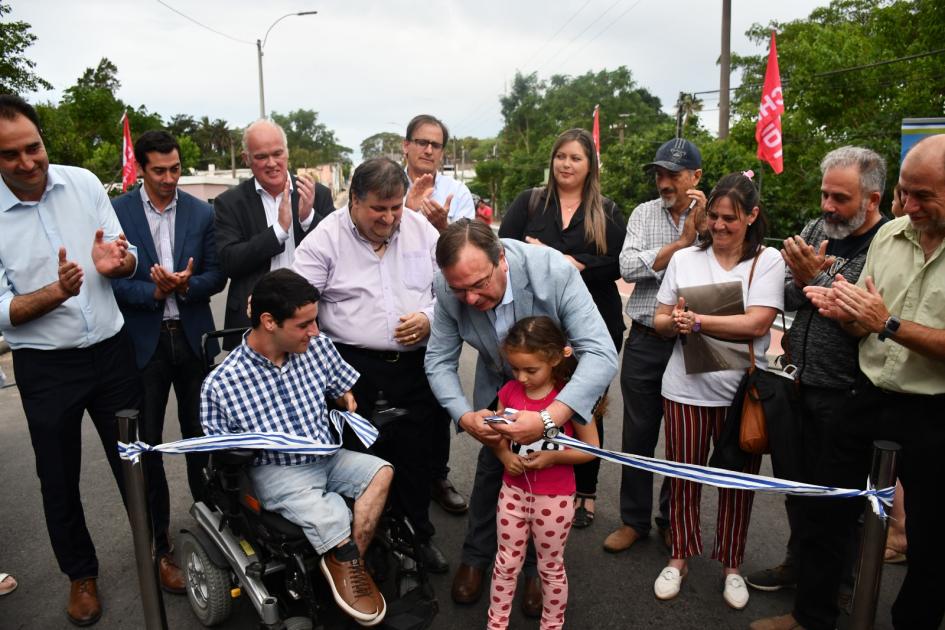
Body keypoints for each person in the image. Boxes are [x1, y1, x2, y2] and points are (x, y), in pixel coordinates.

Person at [756, 135, 945, 630]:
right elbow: (859, 321)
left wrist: (888, 323)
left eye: (924, 196)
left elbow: (881, 321)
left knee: (930, 537)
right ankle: (811, 616)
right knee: (827, 508)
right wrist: (833, 299)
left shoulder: (876, 231)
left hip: (932, 409)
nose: (911, 206)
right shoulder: (891, 236)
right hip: (866, 393)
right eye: (907, 193)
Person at [424, 219, 618, 616]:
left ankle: (535, 571)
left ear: (502, 259)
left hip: (555, 389)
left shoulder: (553, 271)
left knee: (544, 485)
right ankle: (476, 558)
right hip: (497, 391)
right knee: (490, 474)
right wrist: (464, 417)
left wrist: (549, 418)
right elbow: (439, 360)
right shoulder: (449, 286)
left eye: (479, 285)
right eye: (460, 290)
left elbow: (601, 353)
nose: (471, 299)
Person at [0, 94, 140, 626]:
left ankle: (157, 550)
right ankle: (80, 575)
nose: (27, 162)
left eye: (32, 147)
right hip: (45, 367)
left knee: (136, 460)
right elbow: (2, 311)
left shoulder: (82, 181)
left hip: (112, 353)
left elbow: (125, 258)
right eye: (10, 155)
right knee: (58, 478)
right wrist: (55, 294)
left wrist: (119, 264)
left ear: (43, 139)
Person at [201, 269, 393, 627]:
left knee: (381, 471)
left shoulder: (317, 348)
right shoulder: (222, 383)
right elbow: (220, 452)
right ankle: (344, 559)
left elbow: (341, 387)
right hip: (277, 469)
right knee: (333, 512)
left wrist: (346, 399)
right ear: (269, 321)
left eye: (315, 321)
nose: (315, 331)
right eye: (304, 324)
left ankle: (348, 561)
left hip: (325, 454)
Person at [745, 147, 888, 609]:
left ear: (872, 199)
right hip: (796, 382)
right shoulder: (814, 230)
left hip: (845, 393)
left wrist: (815, 282)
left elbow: (864, 319)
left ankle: (837, 591)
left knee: (836, 503)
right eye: (825, 194)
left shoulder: (885, 246)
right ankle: (800, 564)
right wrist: (805, 281)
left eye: (840, 198)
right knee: (797, 487)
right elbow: (787, 295)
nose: (828, 206)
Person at [291, 157, 449, 573]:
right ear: (353, 201)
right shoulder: (325, 239)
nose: (390, 217)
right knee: (361, 459)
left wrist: (429, 317)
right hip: (350, 368)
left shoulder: (419, 230)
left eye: (396, 206)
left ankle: (418, 537)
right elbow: (298, 309)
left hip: (414, 366)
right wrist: (328, 370)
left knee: (416, 455)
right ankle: (364, 548)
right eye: (379, 208)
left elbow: (449, 289)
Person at [652, 172, 784, 610]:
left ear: (752, 216)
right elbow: (659, 319)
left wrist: (700, 321)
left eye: (731, 218)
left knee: (736, 483)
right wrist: (677, 321)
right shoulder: (685, 259)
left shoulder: (767, 261)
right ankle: (679, 557)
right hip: (685, 388)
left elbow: (759, 323)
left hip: (739, 396)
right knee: (684, 477)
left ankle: (731, 566)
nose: (720, 226)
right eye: (714, 217)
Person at [110, 130, 227, 594]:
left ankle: (213, 520)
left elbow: (217, 275)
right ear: (140, 169)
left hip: (193, 339)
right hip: (145, 342)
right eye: (158, 170)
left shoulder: (201, 211)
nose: (168, 178)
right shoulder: (117, 212)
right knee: (150, 443)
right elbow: (112, 283)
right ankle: (158, 542)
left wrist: (185, 285)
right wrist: (154, 291)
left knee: (203, 436)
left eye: (175, 169)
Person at [498, 128, 626, 528]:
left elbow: (621, 262)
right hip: (540, 325)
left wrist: (565, 260)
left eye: (576, 158)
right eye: (561, 156)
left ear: (590, 166)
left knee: (585, 404)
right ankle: (530, 473)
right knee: (533, 395)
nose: (566, 164)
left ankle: (584, 491)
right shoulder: (530, 202)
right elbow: (503, 250)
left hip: (593, 321)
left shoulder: (606, 209)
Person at [605, 138, 705, 554]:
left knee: (687, 441)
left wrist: (700, 233)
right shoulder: (644, 213)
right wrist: (681, 244)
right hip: (646, 337)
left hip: (693, 340)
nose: (664, 182)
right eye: (659, 174)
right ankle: (634, 519)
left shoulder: (716, 216)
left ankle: (673, 519)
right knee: (639, 433)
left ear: (696, 177)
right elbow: (627, 267)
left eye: (674, 174)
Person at [486, 316, 599, 630]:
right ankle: (496, 623)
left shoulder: (571, 397)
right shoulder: (509, 391)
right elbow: (496, 433)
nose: (521, 377)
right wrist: (504, 454)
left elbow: (592, 448)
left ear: (553, 358)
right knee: (506, 561)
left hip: (556, 497)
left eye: (531, 370)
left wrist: (552, 458)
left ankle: (552, 623)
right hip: (512, 491)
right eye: (515, 368)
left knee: (550, 566)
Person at [402, 113, 474, 515]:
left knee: (437, 395)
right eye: (422, 142)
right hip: (395, 307)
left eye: (436, 144)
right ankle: (394, 477)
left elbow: (467, 251)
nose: (429, 150)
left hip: (441, 306)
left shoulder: (456, 192)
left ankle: (437, 475)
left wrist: (444, 225)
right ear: (406, 145)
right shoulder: (390, 184)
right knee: (394, 397)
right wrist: (409, 213)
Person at [213, 119, 333, 349]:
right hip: (253, 325)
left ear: (287, 153)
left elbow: (338, 252)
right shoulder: (229, 202)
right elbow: (229, 261)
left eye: (277, 153)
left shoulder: (317, 194)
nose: (272, 163)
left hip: (310, 322)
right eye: (261, 157)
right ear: (246, 158)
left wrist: (308, 219)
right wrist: (278, 231)